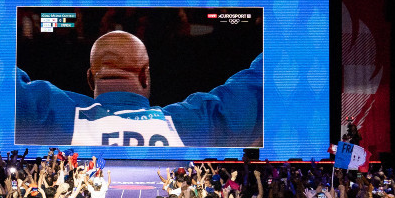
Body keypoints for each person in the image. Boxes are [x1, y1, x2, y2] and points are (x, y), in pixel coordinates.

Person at [15, 30, 263, 147]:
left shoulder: (45, 114)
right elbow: (263, 78)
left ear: (91, 79)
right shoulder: (196, 123)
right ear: (145, 75)